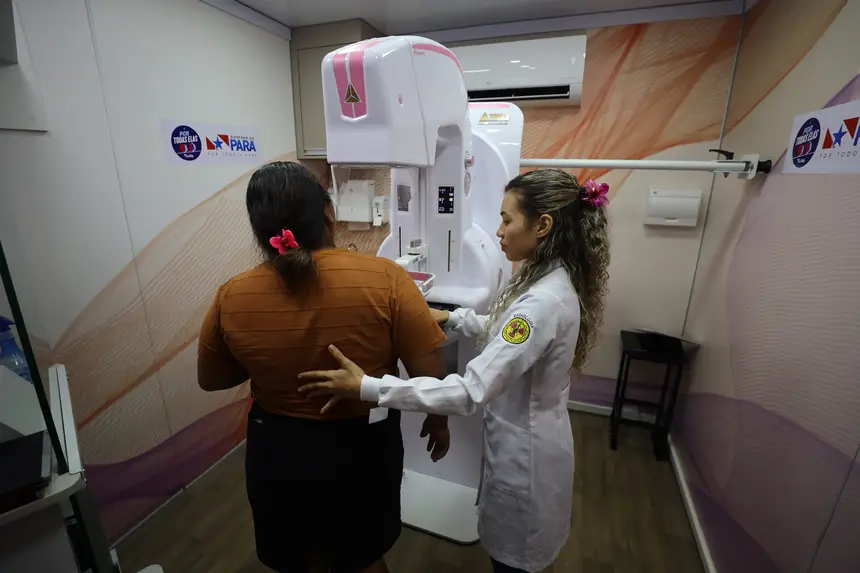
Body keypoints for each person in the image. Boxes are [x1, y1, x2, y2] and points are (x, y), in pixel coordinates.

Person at [298, 169, 611, 573]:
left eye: (507, 219)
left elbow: (469, 391)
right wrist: (452, 317)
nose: (499, 231)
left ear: (543, 225)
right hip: (530, 439)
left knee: (514, 563)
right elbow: (506, 331)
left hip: (526, 459)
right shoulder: (549, 279)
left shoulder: (542, 303)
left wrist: (368, 387)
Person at [196, 161, 451, 573]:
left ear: (259, 229)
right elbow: (430, 371)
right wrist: (438, 422)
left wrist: (270, 356)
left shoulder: (232, 295)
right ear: (329, 213)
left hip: (278, 450)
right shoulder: (387, 278)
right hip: (364, 447)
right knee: (363, 557)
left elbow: (211, 379)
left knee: (301, 559)